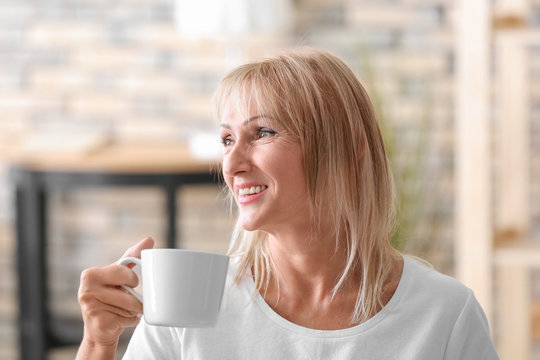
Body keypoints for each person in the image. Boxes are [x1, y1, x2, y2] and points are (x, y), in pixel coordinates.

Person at [76, 47, 499, 359]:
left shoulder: (444, 315)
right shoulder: (191, 308)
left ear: (346, 149)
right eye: (227, 140)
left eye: (262, 133)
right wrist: (99, 342)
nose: (233, 165)